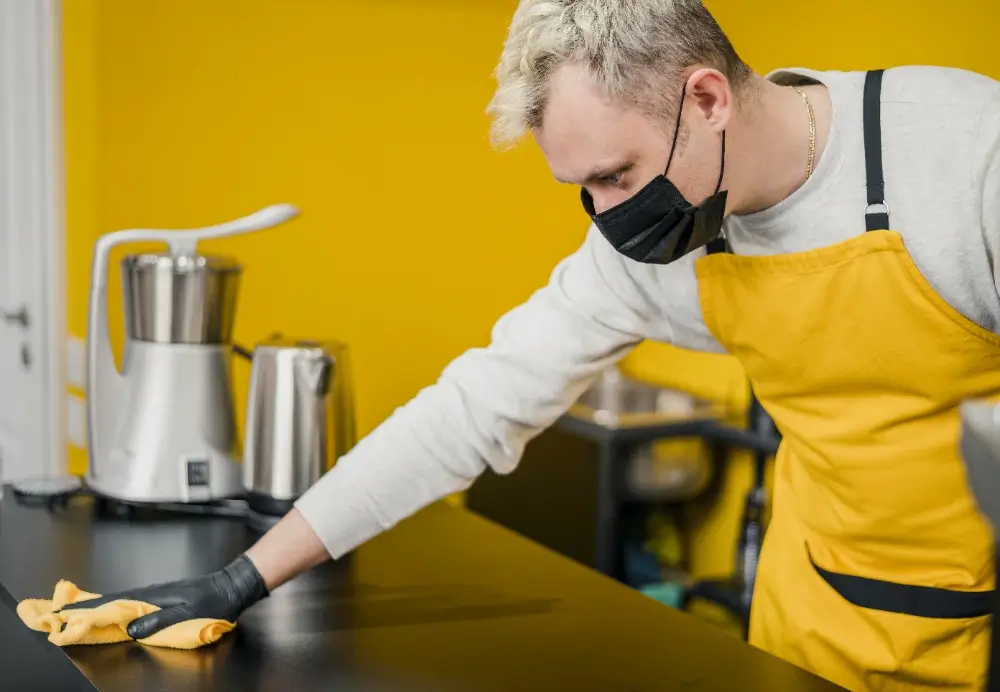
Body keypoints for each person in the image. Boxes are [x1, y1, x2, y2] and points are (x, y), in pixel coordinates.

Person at [64, 1, 1000, 689]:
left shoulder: (962, 159)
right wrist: (243, 576)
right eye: (581, 188)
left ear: (708, 97)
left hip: (978, 624)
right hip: (805, 615)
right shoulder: (655, 249)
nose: (607, 215)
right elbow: (471, 408)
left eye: (617, 173)